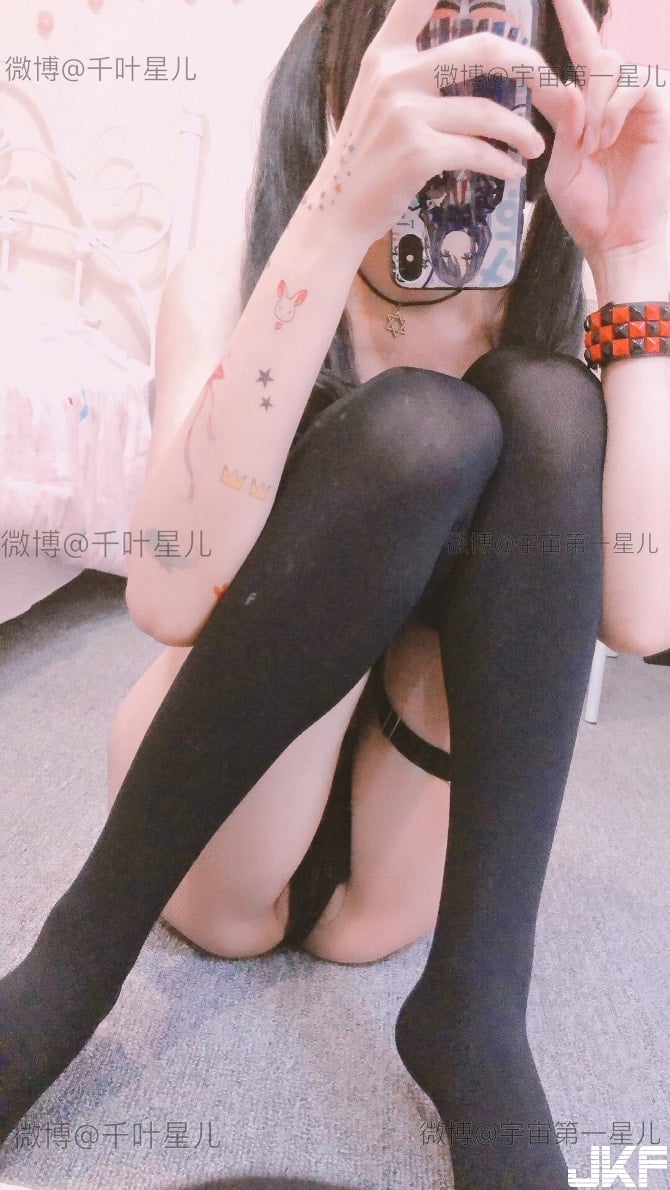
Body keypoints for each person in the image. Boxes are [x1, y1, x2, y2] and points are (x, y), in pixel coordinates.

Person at [1, 1, 669, 1187]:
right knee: (419, 431)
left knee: (545, 405)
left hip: (392, 871)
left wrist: (631, 259)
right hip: (220, 825)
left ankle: (479, 1008)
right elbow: (163, 590)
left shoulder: (546, 316)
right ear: (345, 66)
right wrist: (334, 215)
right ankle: (74, 961)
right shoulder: (241, 271)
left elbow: (644, 610)